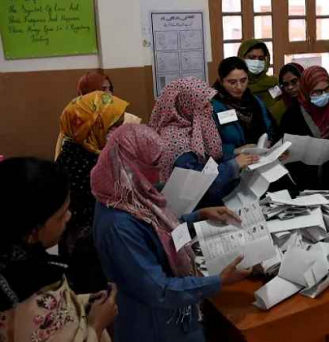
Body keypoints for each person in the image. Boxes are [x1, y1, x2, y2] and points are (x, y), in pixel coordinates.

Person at [92, 124, 250, 342]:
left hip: (173, 317)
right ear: (130, 164)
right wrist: (218, 281)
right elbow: (159, 290)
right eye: (154, 164)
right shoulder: (119, 225)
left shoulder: (130, 192)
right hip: (156, 326)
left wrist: (199, 216)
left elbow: (158, 233)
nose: (158, 171)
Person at [0, 157, 117, 342]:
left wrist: (83, 303)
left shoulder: (25, 263)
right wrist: (96, 325)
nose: (69, 216)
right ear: (33, 231)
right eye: (60, 215)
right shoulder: (27, 299)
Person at [55, 91, 129, 294]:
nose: (118, 132)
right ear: (92, 126)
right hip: (87, 248)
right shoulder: (82, 161)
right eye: (113, 126)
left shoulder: (87, 151)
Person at [148, 77, 249, 206]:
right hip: (190, 209)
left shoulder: (188, 127)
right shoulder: (176, 141)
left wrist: (237, 156)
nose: (210, 108)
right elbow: (197, 185)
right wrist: (233, 165)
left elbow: (210, 157)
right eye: (204, 105)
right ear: (187, 107)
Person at [279, 65, 329, 191]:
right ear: (306, 90)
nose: (324, 95)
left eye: (327, 89)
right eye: (317, 92)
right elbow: (287, 153)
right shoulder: (292, 115)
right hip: (307, 183)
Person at [211, 57, 274, 194]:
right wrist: (234, 151)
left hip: (259, 167)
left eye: (243, 81)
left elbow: (269, 127)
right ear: (221, 81)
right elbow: (208, 147)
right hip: (230, 173)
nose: (239, 87)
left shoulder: (254, 101)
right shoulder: (212, 106)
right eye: (232, 82)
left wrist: (268, 142)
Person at [55, 72, 141, 160]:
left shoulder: (125, 119)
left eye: (110, 88)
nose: (109, 93)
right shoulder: (74, 127)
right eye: (103, 90)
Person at [237, 39, 280, 115]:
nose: (257, 62)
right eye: (251, 57)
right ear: (241, 58)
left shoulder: (274, 83)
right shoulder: (234, 86)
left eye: (261, 58)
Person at [269, 63, 305, 127]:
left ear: (303, 79)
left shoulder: (313, 102)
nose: (290, 87)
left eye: (294, 81)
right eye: (286, 84)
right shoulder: (281, 108)